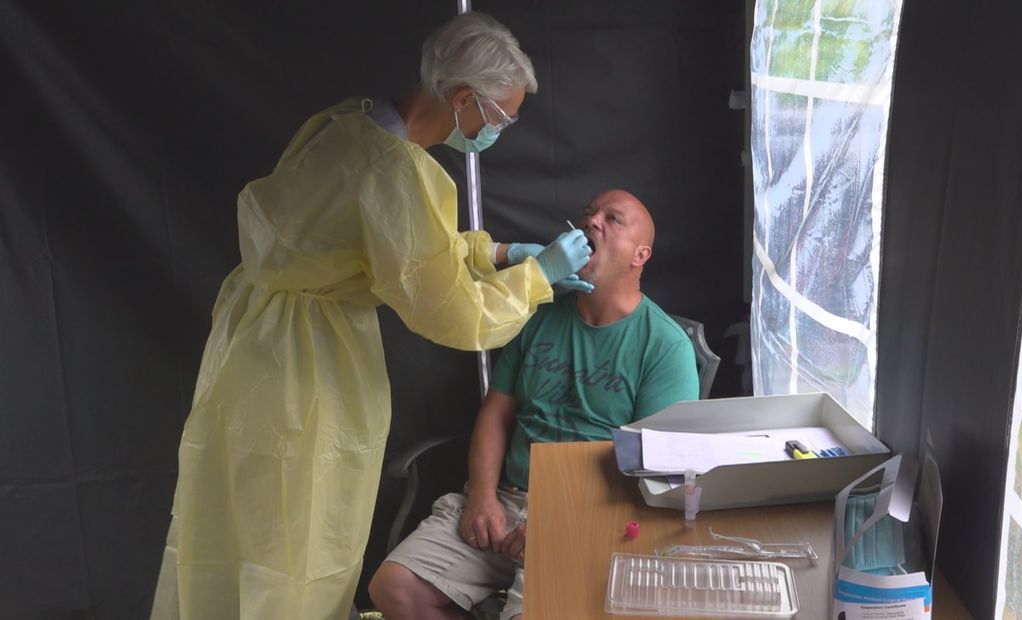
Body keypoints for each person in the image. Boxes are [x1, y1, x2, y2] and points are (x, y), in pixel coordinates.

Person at [150, 12, 594, 620]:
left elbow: (386, 247)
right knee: (294, 537)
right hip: (303, 371)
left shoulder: (344, 124)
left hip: (251, 344)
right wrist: (537, 275)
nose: (501, 130)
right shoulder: (397, 170)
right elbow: (451, 311)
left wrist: (495, 253)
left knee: (237, 527)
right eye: (500, 118)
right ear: (464, 99)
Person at [368, 190, 700, 620]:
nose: (592, 222)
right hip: (505, 502)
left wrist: (557, 520)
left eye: (612, 219)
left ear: (641, 254)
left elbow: (656, 473)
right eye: (588, 215)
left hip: (588, 514)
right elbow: (496, 413)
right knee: (393, 588)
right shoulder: (539, 316)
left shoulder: (664, 346)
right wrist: (483, 496)